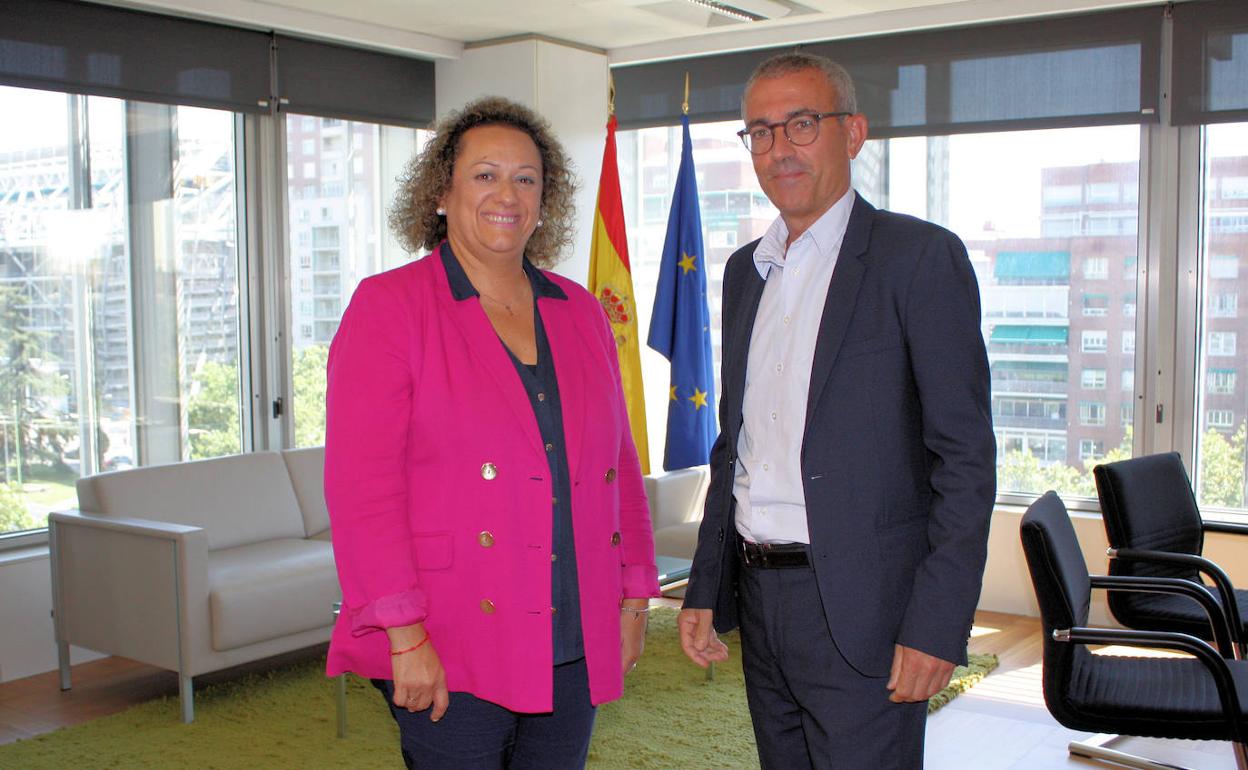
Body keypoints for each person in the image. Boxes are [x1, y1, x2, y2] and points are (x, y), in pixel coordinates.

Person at [678, 53, 996, 768]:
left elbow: (966, 461)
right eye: (759, 131)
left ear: (853, 133)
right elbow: (737, 445)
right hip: (762, 601)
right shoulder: (743, 274)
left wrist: (937, 624)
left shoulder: (918, 259)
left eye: (800, 124)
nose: (779, 147)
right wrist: (707, 586)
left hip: (868, 608)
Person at [324, 96, 661, 770]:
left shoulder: (583, 314)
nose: (507, 193)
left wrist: (632, 598)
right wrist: (404, 633)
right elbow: (364, 493)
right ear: (442, 192)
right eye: (485, 175)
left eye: (526, 178)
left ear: (545, 197)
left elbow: (616, 467)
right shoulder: (390, 307)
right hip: (452, 632)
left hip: (572, 625)